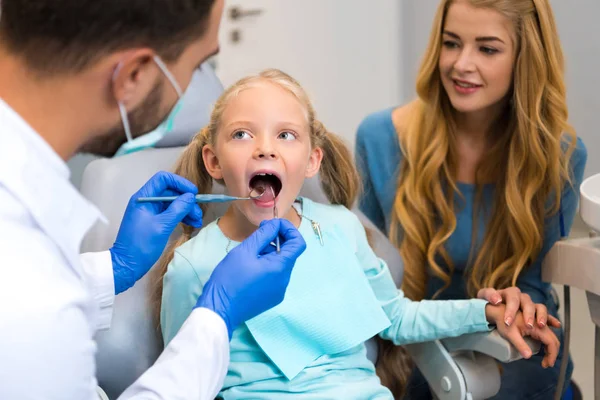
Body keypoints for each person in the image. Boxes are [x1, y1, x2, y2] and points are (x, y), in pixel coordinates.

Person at [156, 68, 560, 399]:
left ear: (312, 160)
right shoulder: (194, 266)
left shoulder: (338, 227)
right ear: (213, 160)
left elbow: (397, 318)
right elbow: (182, 382)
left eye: (286, 135)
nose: (265, 149)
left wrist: (485, 313)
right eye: (242, 134)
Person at [0, 1, 307, 399]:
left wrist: (112, 268)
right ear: (134, 75)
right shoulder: (31, 298)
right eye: (200, 65)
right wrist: (216, 315)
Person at [355, 0, 588, 398]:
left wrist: (515, 302)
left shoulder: (560, 156)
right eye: (451, 43)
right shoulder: (381, 138)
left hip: (509, 341)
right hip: (413, 341)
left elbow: (532, 286)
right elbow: (371, 280)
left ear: (524, 58)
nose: (461, 64)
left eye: (487, 48)